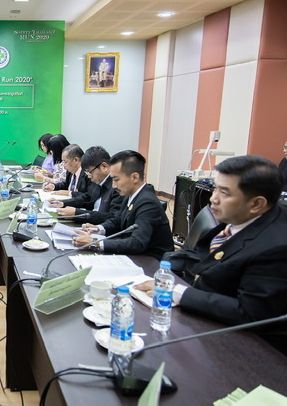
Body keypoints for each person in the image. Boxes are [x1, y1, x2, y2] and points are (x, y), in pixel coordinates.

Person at [135, 155, 287, 354]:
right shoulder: (242, 216)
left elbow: (250, 313)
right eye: (215, 188)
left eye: (224, 192)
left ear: (257, 203)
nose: (213, 199)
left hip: (249, 348)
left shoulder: (276, 247)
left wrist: (177, 292)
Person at [73, 150, 173, 260]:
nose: (114, 186)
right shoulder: (130, 195)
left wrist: (96, 243)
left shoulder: (148, 203)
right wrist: (98, 229)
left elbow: (137, 243)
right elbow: (117, 221)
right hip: (135, 256)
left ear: (134, 177)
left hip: (151, 262)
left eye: (116, 179)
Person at [50, 146, 124, 224]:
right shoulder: (99, 181)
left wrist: (77, 213)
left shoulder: (117, 187)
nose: (89, 176)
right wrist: (63, 203)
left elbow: (113, 217)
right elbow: (87, 197)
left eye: (89, 172)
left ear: (104, 167)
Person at [44, 144, 101, 210]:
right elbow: (66, 184)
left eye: (65, 162)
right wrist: (54, 186)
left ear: (76, 160)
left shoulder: (88, 173)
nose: (64, 166)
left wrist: (69, 194)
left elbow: (88, 196)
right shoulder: (70, 171)